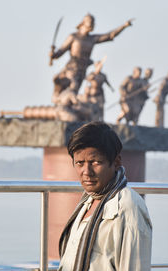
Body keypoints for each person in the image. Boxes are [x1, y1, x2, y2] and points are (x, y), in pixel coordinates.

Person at [58, 122, 152, 271]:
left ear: (116, 163)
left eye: (95, 162)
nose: (86, 171)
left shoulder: (128, 207)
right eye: (80, 163)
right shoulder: (88, 200)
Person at [50, 14, 132, 105]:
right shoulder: (73, 37)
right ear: (83, 23)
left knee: (74, 91)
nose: (93, 24)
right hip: (71, 68)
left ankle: (67, 106)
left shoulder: (91, 39)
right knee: (71, 87)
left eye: (93, 22)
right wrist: (53, 55)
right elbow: (60, 51)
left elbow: (109, 35)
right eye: (91, 21)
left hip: (82, 69)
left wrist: (124, 26)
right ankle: (60, 102)